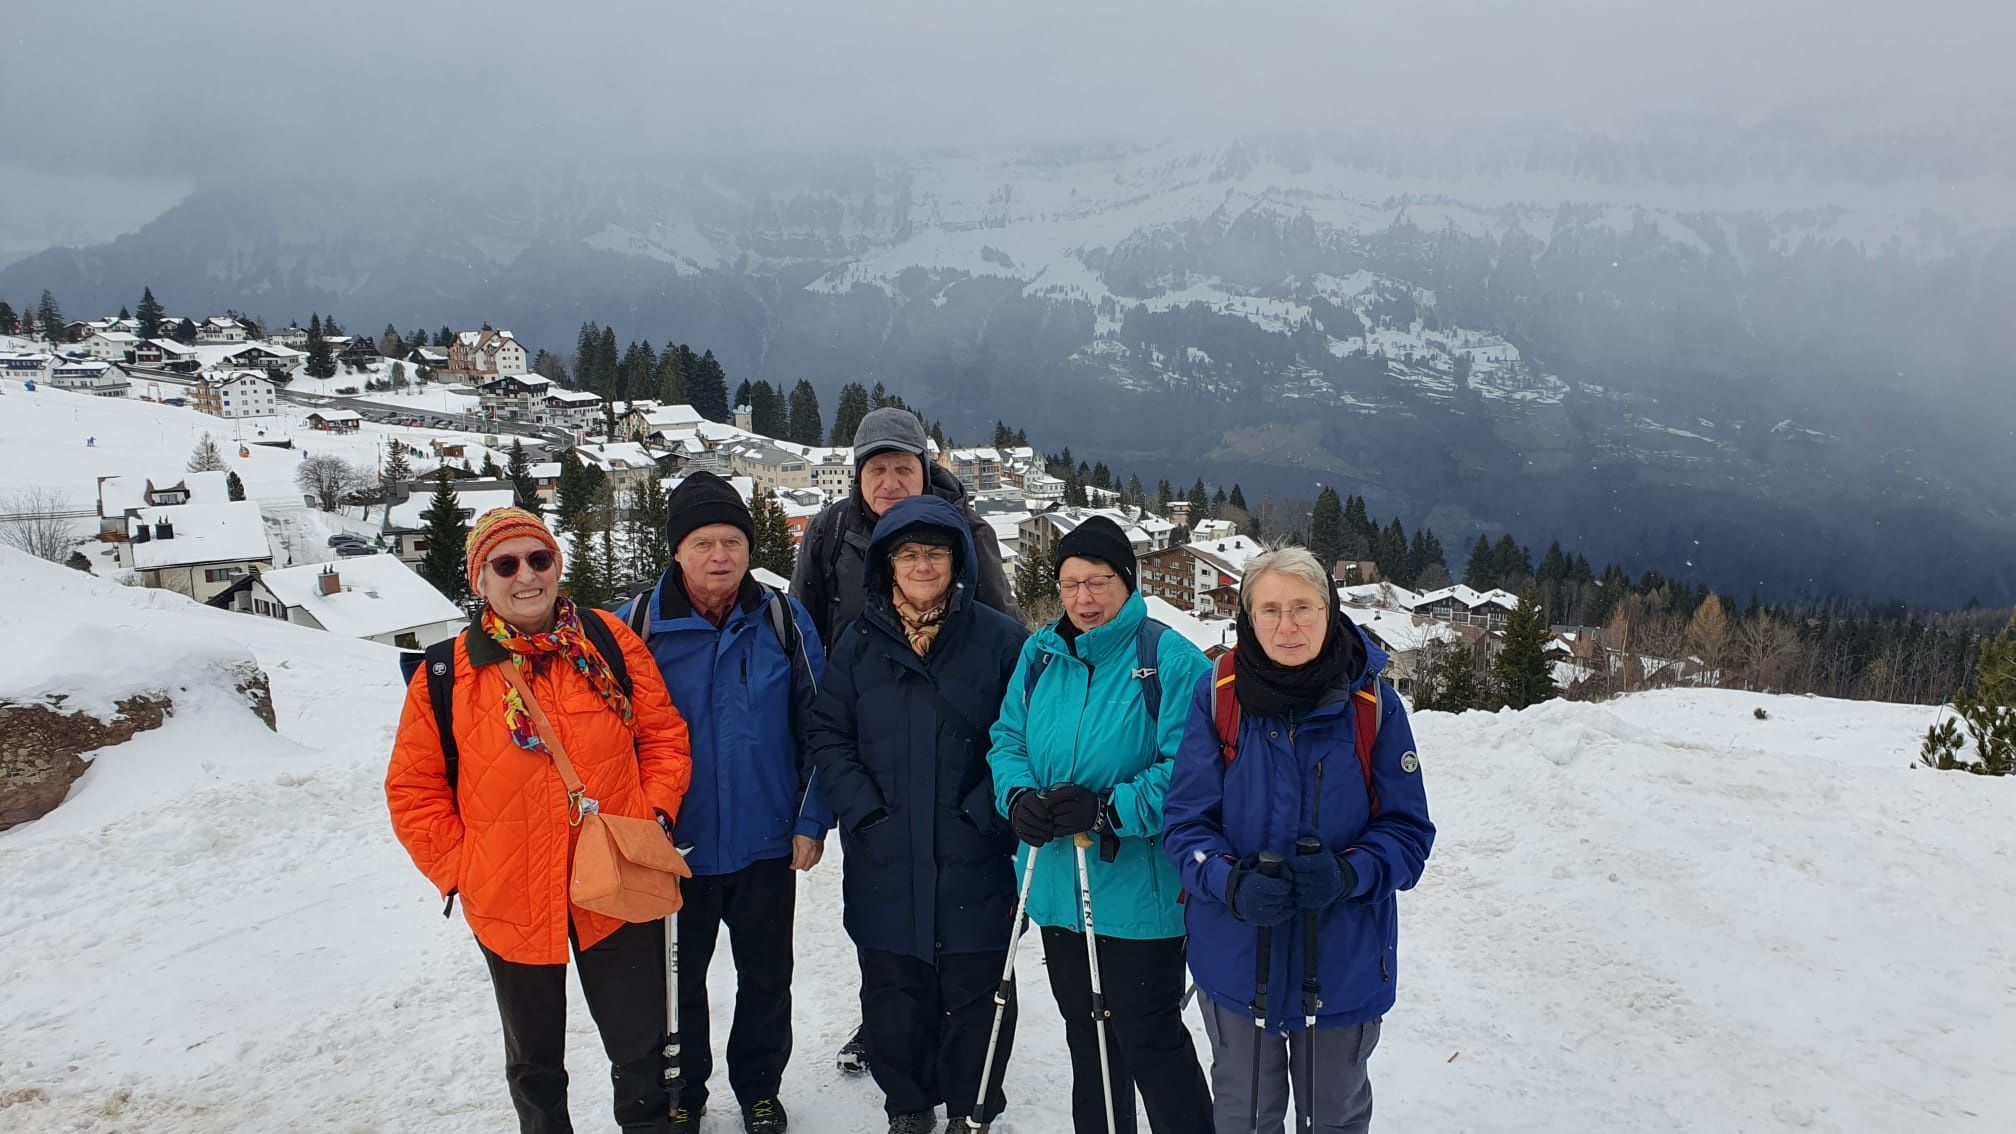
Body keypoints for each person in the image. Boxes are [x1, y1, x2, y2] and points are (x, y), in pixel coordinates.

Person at [386, 506, 692, 1134]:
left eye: (539, 558)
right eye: (506, 564)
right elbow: (414, 791)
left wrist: (653, 814)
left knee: (640, 1048)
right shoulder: (445, 674)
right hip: (510, 894)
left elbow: (663, 737)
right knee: (535, 1063)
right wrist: (464, 871)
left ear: (557, 564)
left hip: (618, 877)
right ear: (480, 580)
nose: (526, 576)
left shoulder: (607, 642)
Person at [1163, 544, 1436, 1134]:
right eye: (1270, 610)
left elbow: (1409, 832)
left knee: (1331, 1115)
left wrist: (1349, 873)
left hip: (1340, 961)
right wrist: (1228, 880)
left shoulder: (1372, 705)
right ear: (1247, 617)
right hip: (1238, 957)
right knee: (1245, 1114)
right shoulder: (1219, 697)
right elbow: (1185, 824)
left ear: (1330, 609)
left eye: (1303, 608)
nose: (1287, 626)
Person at [790, 405, 1020, 1073]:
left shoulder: (965, 532)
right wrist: (842, 797)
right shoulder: (832, 532)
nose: (890, 481)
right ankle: (891, 1037)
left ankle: (959, 1054)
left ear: (926, 470)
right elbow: (808, 633)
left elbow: (1000, 631)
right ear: (859, 476)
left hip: (952, 734)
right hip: (870, 718)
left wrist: (991, 799)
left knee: (962, 911)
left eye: (903, 467)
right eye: (877, 469)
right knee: (892, 912)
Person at [614, 471, 830, 1134]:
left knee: (766, 980)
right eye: (703, 541)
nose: (719, 555)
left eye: (732, 540)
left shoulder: (781, 618)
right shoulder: (636, 626)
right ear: (676, 550)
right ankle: (686, 1090)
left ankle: (760, 1088)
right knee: (678, 988)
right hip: (676, 847)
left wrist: (812, 818)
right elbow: (610, 737)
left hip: (767, 841)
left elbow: (822, 724)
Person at [986, 515, 1215, 1134]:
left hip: (1141, 895)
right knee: (1089, 1045)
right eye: (1070, 584)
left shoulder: (1168, 657)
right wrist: (1018, 798)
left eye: (1099, 582)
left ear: (1128, 582)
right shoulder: (1040, 654)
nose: (1084, 599)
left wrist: (1110, 808)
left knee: (1151, 1042)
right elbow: (1007, 738)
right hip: (1061, 889)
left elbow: (1193, 771)